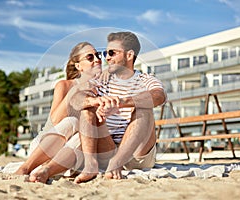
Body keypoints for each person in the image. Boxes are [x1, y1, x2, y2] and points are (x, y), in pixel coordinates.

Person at [30, 31, 167, 184]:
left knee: (144, 107)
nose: (106, 57)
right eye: (105, 53)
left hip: (137, 154)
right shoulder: (102, 80)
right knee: (87, 109)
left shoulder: (145, 79)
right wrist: (96, 102)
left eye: (112, 53)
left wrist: (122, 102)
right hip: (107, 150)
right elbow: (76, 100)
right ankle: (82, 167)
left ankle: (117, 162)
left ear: (129, 55)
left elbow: (159, 96)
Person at [13, 42, 103, 180]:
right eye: (90, 57)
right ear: (78, 66)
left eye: (97, 55)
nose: (97, 59)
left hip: (71, 155)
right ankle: (25, 168)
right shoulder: (64, 85)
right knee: (73, 121)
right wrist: (76, 90)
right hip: (45, 148)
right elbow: (55, 121)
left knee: (87, 134)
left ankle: (46, 172)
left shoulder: (101, 91)